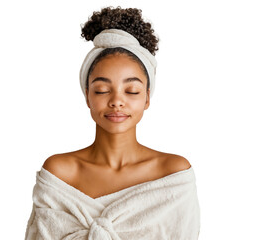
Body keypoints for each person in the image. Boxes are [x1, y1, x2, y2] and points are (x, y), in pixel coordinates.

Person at [25, 6, 200, 240]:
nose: (117, 101)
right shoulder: (59, 174)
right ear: (88, 95)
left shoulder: (173, 176)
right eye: (102, 90)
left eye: (132, 90)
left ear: (147, 97)